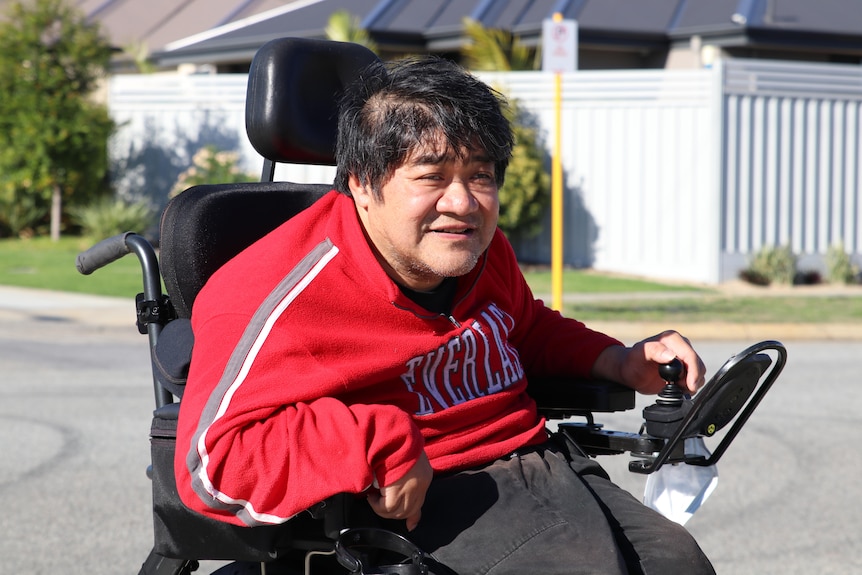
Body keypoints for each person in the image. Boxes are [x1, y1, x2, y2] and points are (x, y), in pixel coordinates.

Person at [175, 55, 714, 574]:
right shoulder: (279, 290)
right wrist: (372, 440)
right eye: (431, 177)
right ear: (362, 183)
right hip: (418, 500)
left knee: (680, 563)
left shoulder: (478, 250)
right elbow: (212, 466)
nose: (462, 203)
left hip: (540, 464)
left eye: (480, 175)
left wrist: (616, 360)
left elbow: (521, 326)